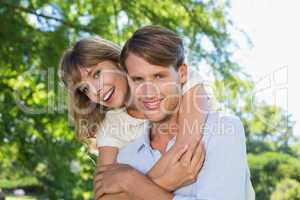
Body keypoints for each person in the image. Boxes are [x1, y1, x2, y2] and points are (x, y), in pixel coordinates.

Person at [93, 25, 255, 200]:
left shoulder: (222, 130)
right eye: (138, 79)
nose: (148, 92)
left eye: (159, 76)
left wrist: (134, 183)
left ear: (182, 74)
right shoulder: (126, 157)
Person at [59, 28, 211, 194]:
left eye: (97, 74)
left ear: (118, 63)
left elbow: (185, 145)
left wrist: (129, 183)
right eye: (85, 89)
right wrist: (158, 181)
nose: (96, 91)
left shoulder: (176, 82)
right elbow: (102, 195)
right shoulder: (112, 126)